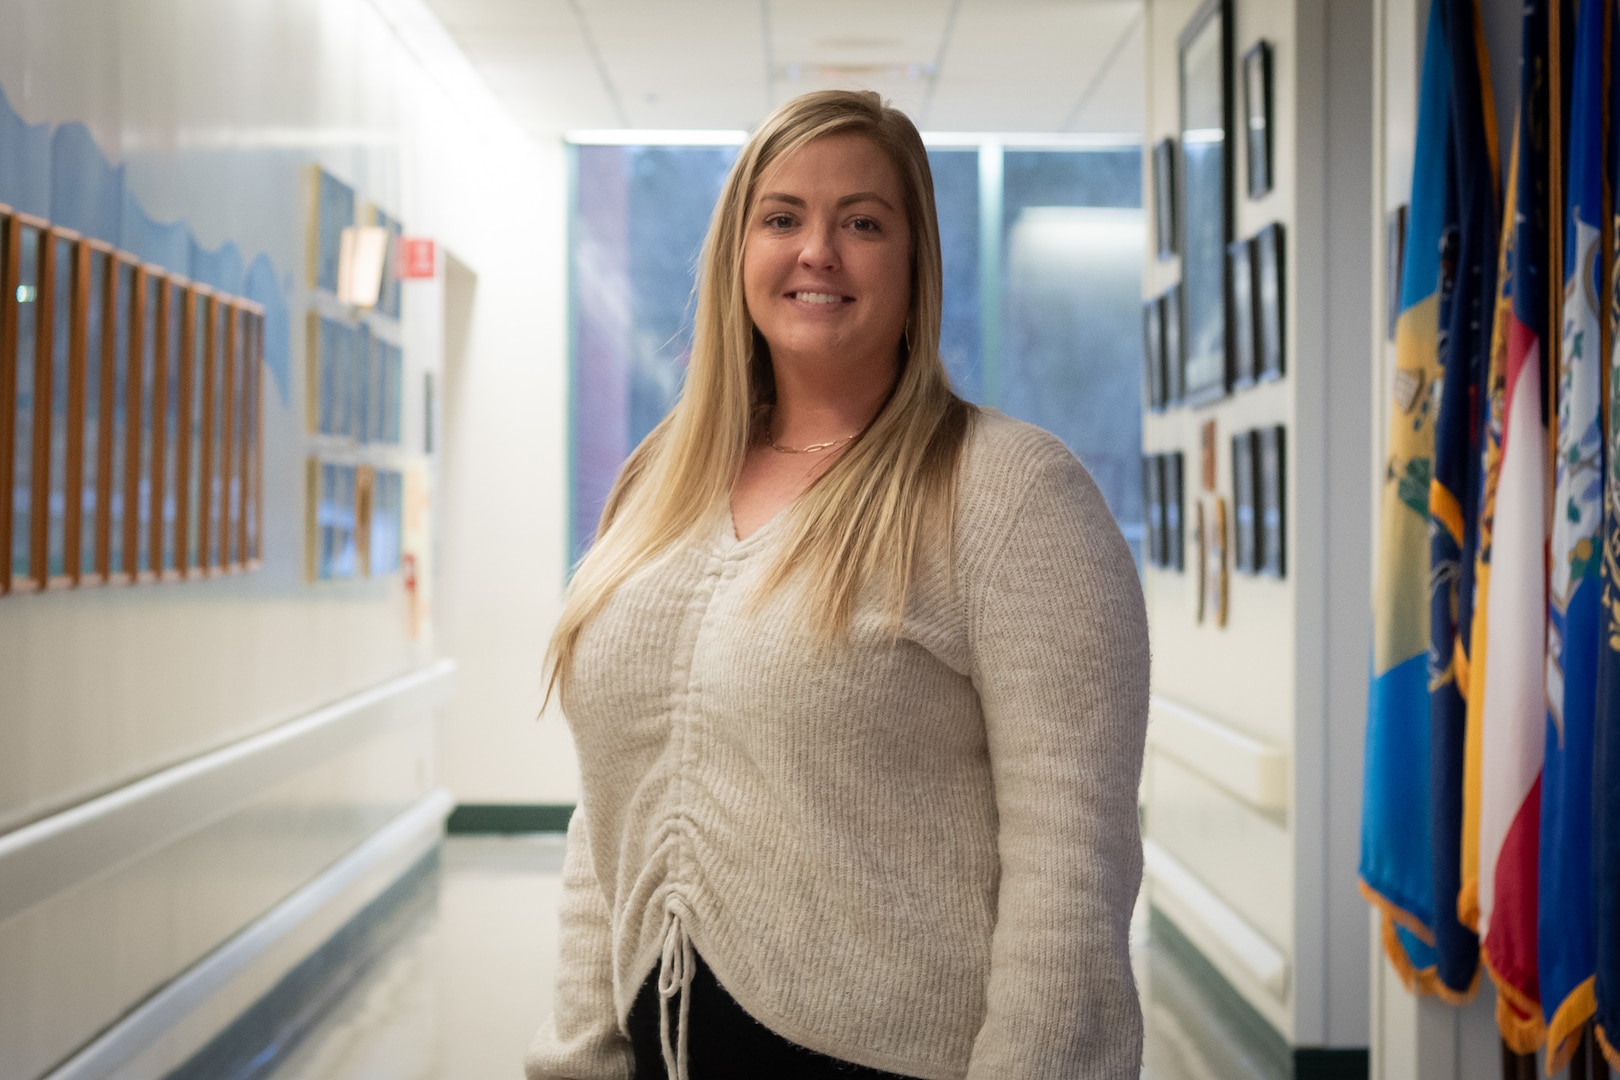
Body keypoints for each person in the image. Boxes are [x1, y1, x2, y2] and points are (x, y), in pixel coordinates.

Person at [525, 89, 1149, 1080]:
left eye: (862, 222)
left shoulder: (1010, 494)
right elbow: (608, 810)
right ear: (739, 251)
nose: (818, 250)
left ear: (916, 264)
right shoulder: (659, 482)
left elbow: (1072, 875)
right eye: (782, 218)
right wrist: (576, 1058)